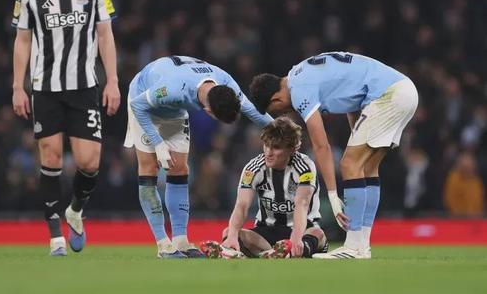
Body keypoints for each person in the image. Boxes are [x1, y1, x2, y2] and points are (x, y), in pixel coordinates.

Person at [12, 0, 121, 256]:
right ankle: (54, 236)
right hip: (45, 89)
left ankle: (75, 210)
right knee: (51, 158)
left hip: (84, 87)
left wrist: (112, 80)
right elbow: (22, 40)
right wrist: (18, 86)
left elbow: (105, 36)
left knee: (89, 163)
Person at [249, 52, 418, 259]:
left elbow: (321, 146)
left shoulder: (299, 90)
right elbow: (353, 102)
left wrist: (332, 194)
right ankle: (361, 245)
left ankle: (352, 247)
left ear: (276, 99)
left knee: (349, 164)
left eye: (277, 111)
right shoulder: (300, 73)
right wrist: (356, 134)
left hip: (387, 95)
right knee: (366, 167)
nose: (283, 114)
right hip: (402, 90)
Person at [125, 55, 273, 258]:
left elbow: (254, 112)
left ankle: (181, 240)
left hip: (174, 109)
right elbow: (138, 105)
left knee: (179, 168)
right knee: (149, 168)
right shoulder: (172, 88)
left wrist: (284, 130)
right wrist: (158, 143)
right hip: (144, 100)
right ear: (209, 112)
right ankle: (163, 244)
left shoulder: (226, 83)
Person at [200, 116, 327, 259]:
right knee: (229, 232)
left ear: (292, 149)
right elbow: (242, 205)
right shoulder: (254, 168)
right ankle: (248, 251)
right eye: (266, 145)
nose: (268, 153)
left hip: (302, 230)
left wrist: (296, 239)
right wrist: (233, 236)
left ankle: (281, 252)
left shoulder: (305, 167)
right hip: (267, 232)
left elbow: (302, 204)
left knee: (318, 233)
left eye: (276, 147)